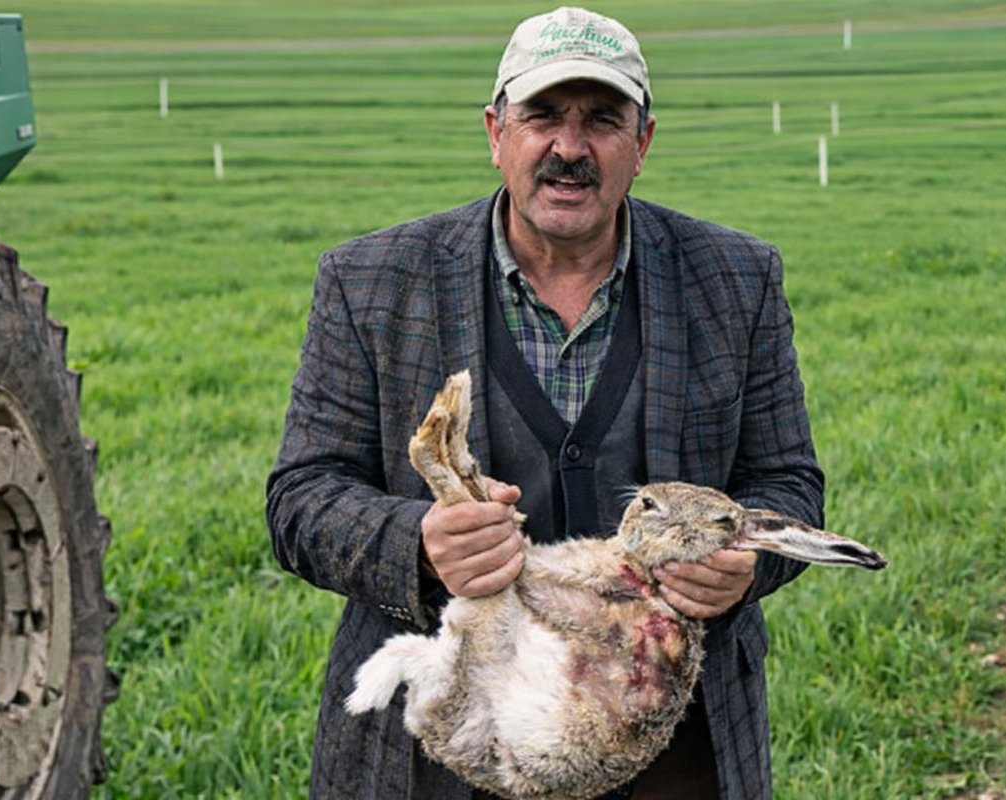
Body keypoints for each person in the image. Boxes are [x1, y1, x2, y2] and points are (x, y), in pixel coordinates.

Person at [266, 7, 823, 799]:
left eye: (602, 119)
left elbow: (789, 481)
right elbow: (300, 497)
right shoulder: (371, 281)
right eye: (542, 116)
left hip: (666, 741)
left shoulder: (736, 280)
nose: (569, 148)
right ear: (496, 131)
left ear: (644, 142)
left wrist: (744, 567)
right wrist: (420, 543)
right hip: (447, 747)